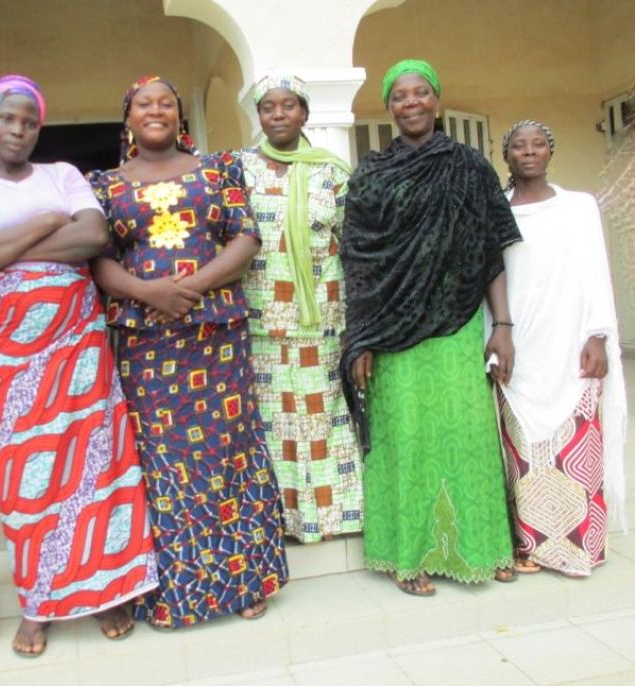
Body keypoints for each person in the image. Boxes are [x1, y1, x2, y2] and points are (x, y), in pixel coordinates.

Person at [0, 75, 157, 656]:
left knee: (97, 468)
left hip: (78, 349)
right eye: (8, 119)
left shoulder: (63, 176)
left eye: (30, 121)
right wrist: (43, 224)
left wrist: (3, 250)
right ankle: (39, 605)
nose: (19, 130)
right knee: (26, 483)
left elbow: (91, 236)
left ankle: (109, 590)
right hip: (11, 359)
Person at [88, 75, 288, 628]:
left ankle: (246, 578)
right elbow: (98, 258)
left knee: (229, 451)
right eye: (143, 104)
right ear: (126, 118)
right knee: (161, 462)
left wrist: (188, 288)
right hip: (145, 343)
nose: (155, 110)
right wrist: (149, 292)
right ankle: (171, 589)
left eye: (166, 103)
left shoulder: (218, 171)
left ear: (181, 117)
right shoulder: (102, 184)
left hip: (216, 337)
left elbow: (245, 238)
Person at [340, 59, 521, 596]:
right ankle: (408, 556)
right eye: (400, 96)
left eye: (421, 93)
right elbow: (359, 262)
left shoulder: (470, 166)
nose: (411, 103)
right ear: (389, 107)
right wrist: (363, 337)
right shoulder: (370, 175)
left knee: (468, 437)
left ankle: (483, 547)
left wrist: (502, 324)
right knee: (406, 440)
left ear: (437, 101)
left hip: (458, 324)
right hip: (394, 333)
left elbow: (490, 253)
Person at [235, 74, 363, 544]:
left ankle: (337, 516)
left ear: (304, 113)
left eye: (288, 105)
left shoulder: (332, 171)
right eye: (268, 107)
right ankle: (284, 520)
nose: (279, 114)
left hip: (322, 317)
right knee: (275, 420)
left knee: (322, 413)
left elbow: (353, 245)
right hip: (262, 316)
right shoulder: (239, 169)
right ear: (259, 116)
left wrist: (356, 321)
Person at [497, 120, 626, 576]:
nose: (528, 152)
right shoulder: (497, 209)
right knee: (523, 452)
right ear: (505, 155)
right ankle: (531, 546)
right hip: (520, 346)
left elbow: (595, 271)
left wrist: (597, 336)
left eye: (537, 145)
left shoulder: (579, 207)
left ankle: (580, 548)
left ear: (551, 152)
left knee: (577, 444)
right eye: (518, 146)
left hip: (571, 342)